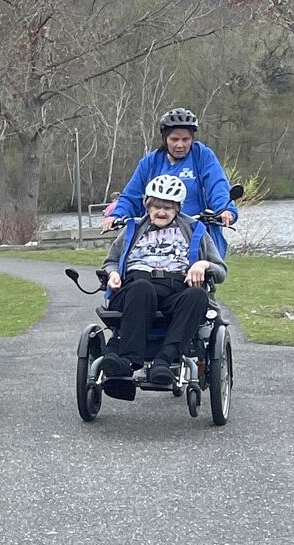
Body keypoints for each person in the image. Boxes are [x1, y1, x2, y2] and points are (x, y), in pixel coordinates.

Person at [101, 174, 226, 387]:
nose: (161, 212)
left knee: (197, 296)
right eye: (157, 207)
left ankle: (164, 361)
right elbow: (110, 262)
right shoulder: (132, 229)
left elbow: (221, 271)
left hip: (176, 291)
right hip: (135, 289)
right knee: (143, 288)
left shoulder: (195, 229)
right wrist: (113, 274)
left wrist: (203, 265)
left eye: (168, 208)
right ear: (148, 207)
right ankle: (128, 360)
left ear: (177, 208)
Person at [105, 107, 237, 254]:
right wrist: (116, 216)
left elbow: (217, 185)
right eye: (174, 139)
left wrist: (225, 209)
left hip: (196, 236)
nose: (180, 145)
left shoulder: (202, 156)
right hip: (155, 239)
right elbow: (131, 196)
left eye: (185, 139)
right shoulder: (150, 162)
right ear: (165, 139)